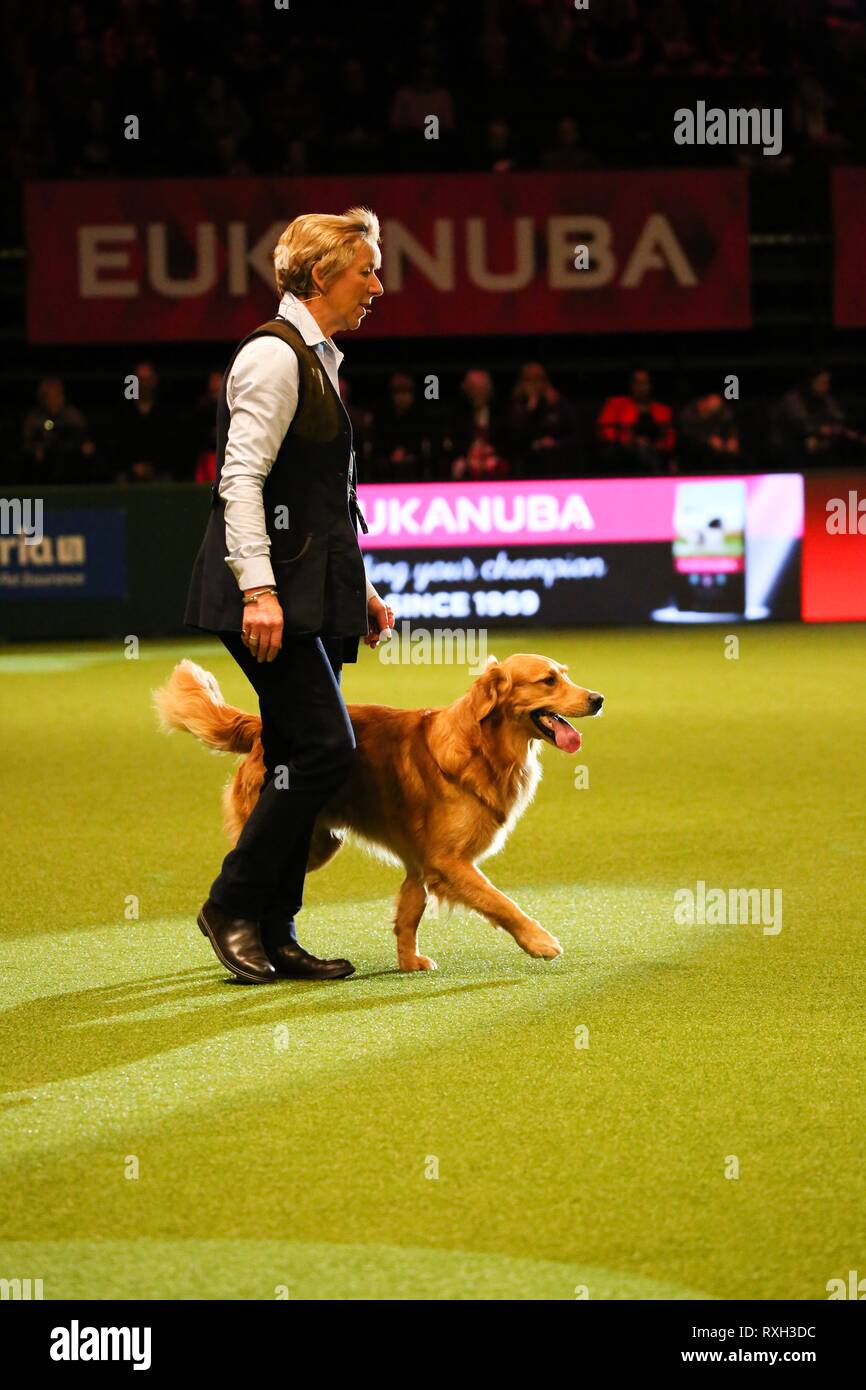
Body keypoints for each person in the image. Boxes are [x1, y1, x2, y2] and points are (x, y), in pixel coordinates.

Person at [184, 207, 392, 985]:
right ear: (320, 275)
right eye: (367, 269)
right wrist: (260, 590)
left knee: (294, 757)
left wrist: (363, 590)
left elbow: (323, 497)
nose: (379, 284)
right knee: (326, 749)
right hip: (270, 595)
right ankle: (232, 906)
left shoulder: (320, 354)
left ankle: (278, 930)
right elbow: (239, 481)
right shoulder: (273, 357)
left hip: (315, 590)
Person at [596, 368, 675, 473]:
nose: (641, 387)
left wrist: (657, 446)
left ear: (650, 385)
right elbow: (605, 430)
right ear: (631, 385)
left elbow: (669, 437)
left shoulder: (663, 410)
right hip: (623, 451)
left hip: (654, 452)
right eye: (637, 383)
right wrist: (627, 442)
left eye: (644, 383)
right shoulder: (616, 404)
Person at [678, 392, 741, 471]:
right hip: (693, 450)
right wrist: (708, 439)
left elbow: (730, 426)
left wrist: (732, 439)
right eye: (712, 410)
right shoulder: (689, 414)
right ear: (703, 403)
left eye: (717, 409)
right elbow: (687, 434)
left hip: (719, 449)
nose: (715, 413)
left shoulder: (722, 412)